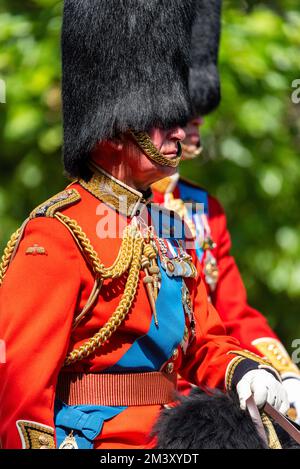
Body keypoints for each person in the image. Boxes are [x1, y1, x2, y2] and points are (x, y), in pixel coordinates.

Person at [0, 0, 289, 450]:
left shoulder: (169, 228)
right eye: (164, 120)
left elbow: (205, 341)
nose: (181, 132)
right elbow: (20, 391)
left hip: (174, 438)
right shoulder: (53, 236)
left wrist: (246, 370)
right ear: (116, 130)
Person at [151, 0, 300, 422]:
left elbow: (233, 312)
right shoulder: (121, 207)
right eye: (184, 111)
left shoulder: (205, 209)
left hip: (212, 388)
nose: (195, 121)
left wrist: (283, 371)